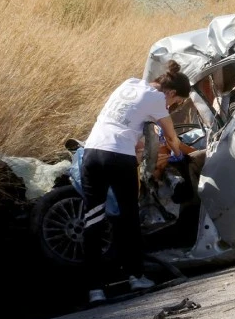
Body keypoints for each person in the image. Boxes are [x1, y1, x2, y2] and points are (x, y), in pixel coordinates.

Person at [81, 60, 190, 303]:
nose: (173, 106)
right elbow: (171, 135)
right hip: (118, 157)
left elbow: (128, 124)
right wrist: (178, 154)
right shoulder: (156, 99)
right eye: (177, 102)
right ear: (171, 93)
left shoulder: (128, 84)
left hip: (91, 153)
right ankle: (135, 276)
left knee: (93, 221)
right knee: (129, 218)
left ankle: (94, 290)